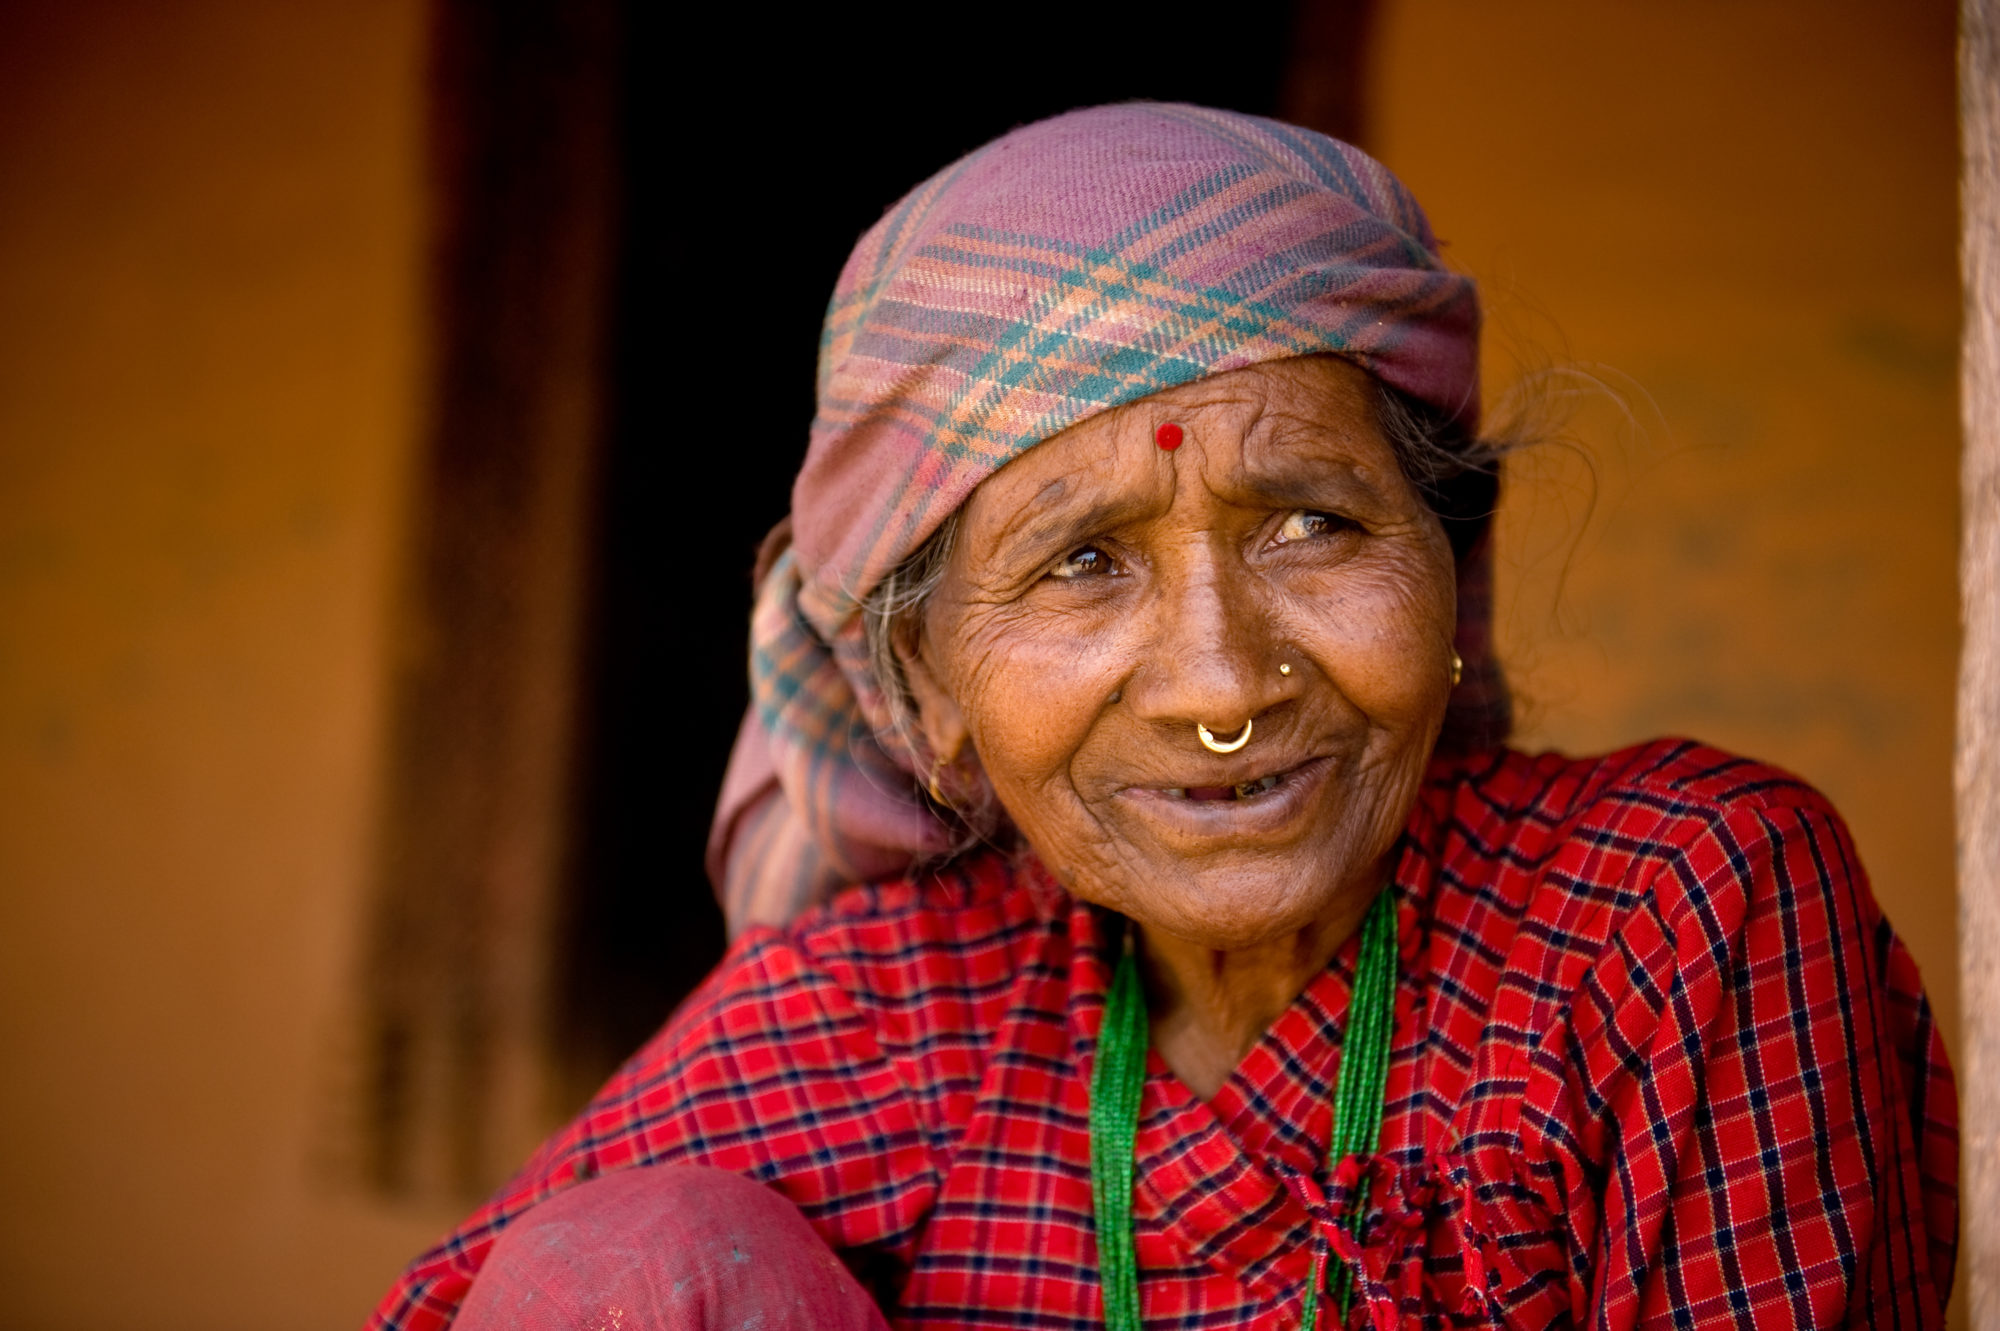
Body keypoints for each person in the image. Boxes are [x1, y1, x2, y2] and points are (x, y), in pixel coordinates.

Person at [368, 103, 1957, 1330]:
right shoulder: (899, 1014)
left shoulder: (1670, 905)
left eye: (1313, 525)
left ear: (1443, 558)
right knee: (633, 1264)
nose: (1219, 683)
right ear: (928, 695)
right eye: (1079, 563)